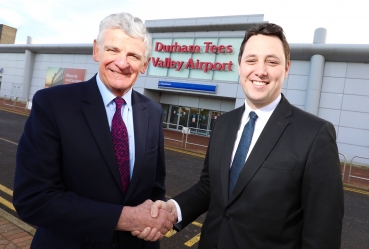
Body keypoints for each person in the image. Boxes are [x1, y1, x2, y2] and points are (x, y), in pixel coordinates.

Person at [138, 23, 344, 248]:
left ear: (286, 69)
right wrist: (175, 208)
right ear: (239, 66)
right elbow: (210, 187)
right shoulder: (223, 123)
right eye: (251, 60)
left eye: (272, 61)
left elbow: (323, 233)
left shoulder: (315, 134)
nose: (261, 70)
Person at [13, 12, 173, 249]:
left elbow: (156, 189)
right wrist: (126, 218)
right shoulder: (54, 104)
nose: (122, 62)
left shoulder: (152, 112)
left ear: (145, 64)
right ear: (97, 50)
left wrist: (160, 213)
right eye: (113, 50)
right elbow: (33, 198)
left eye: (133, 55)